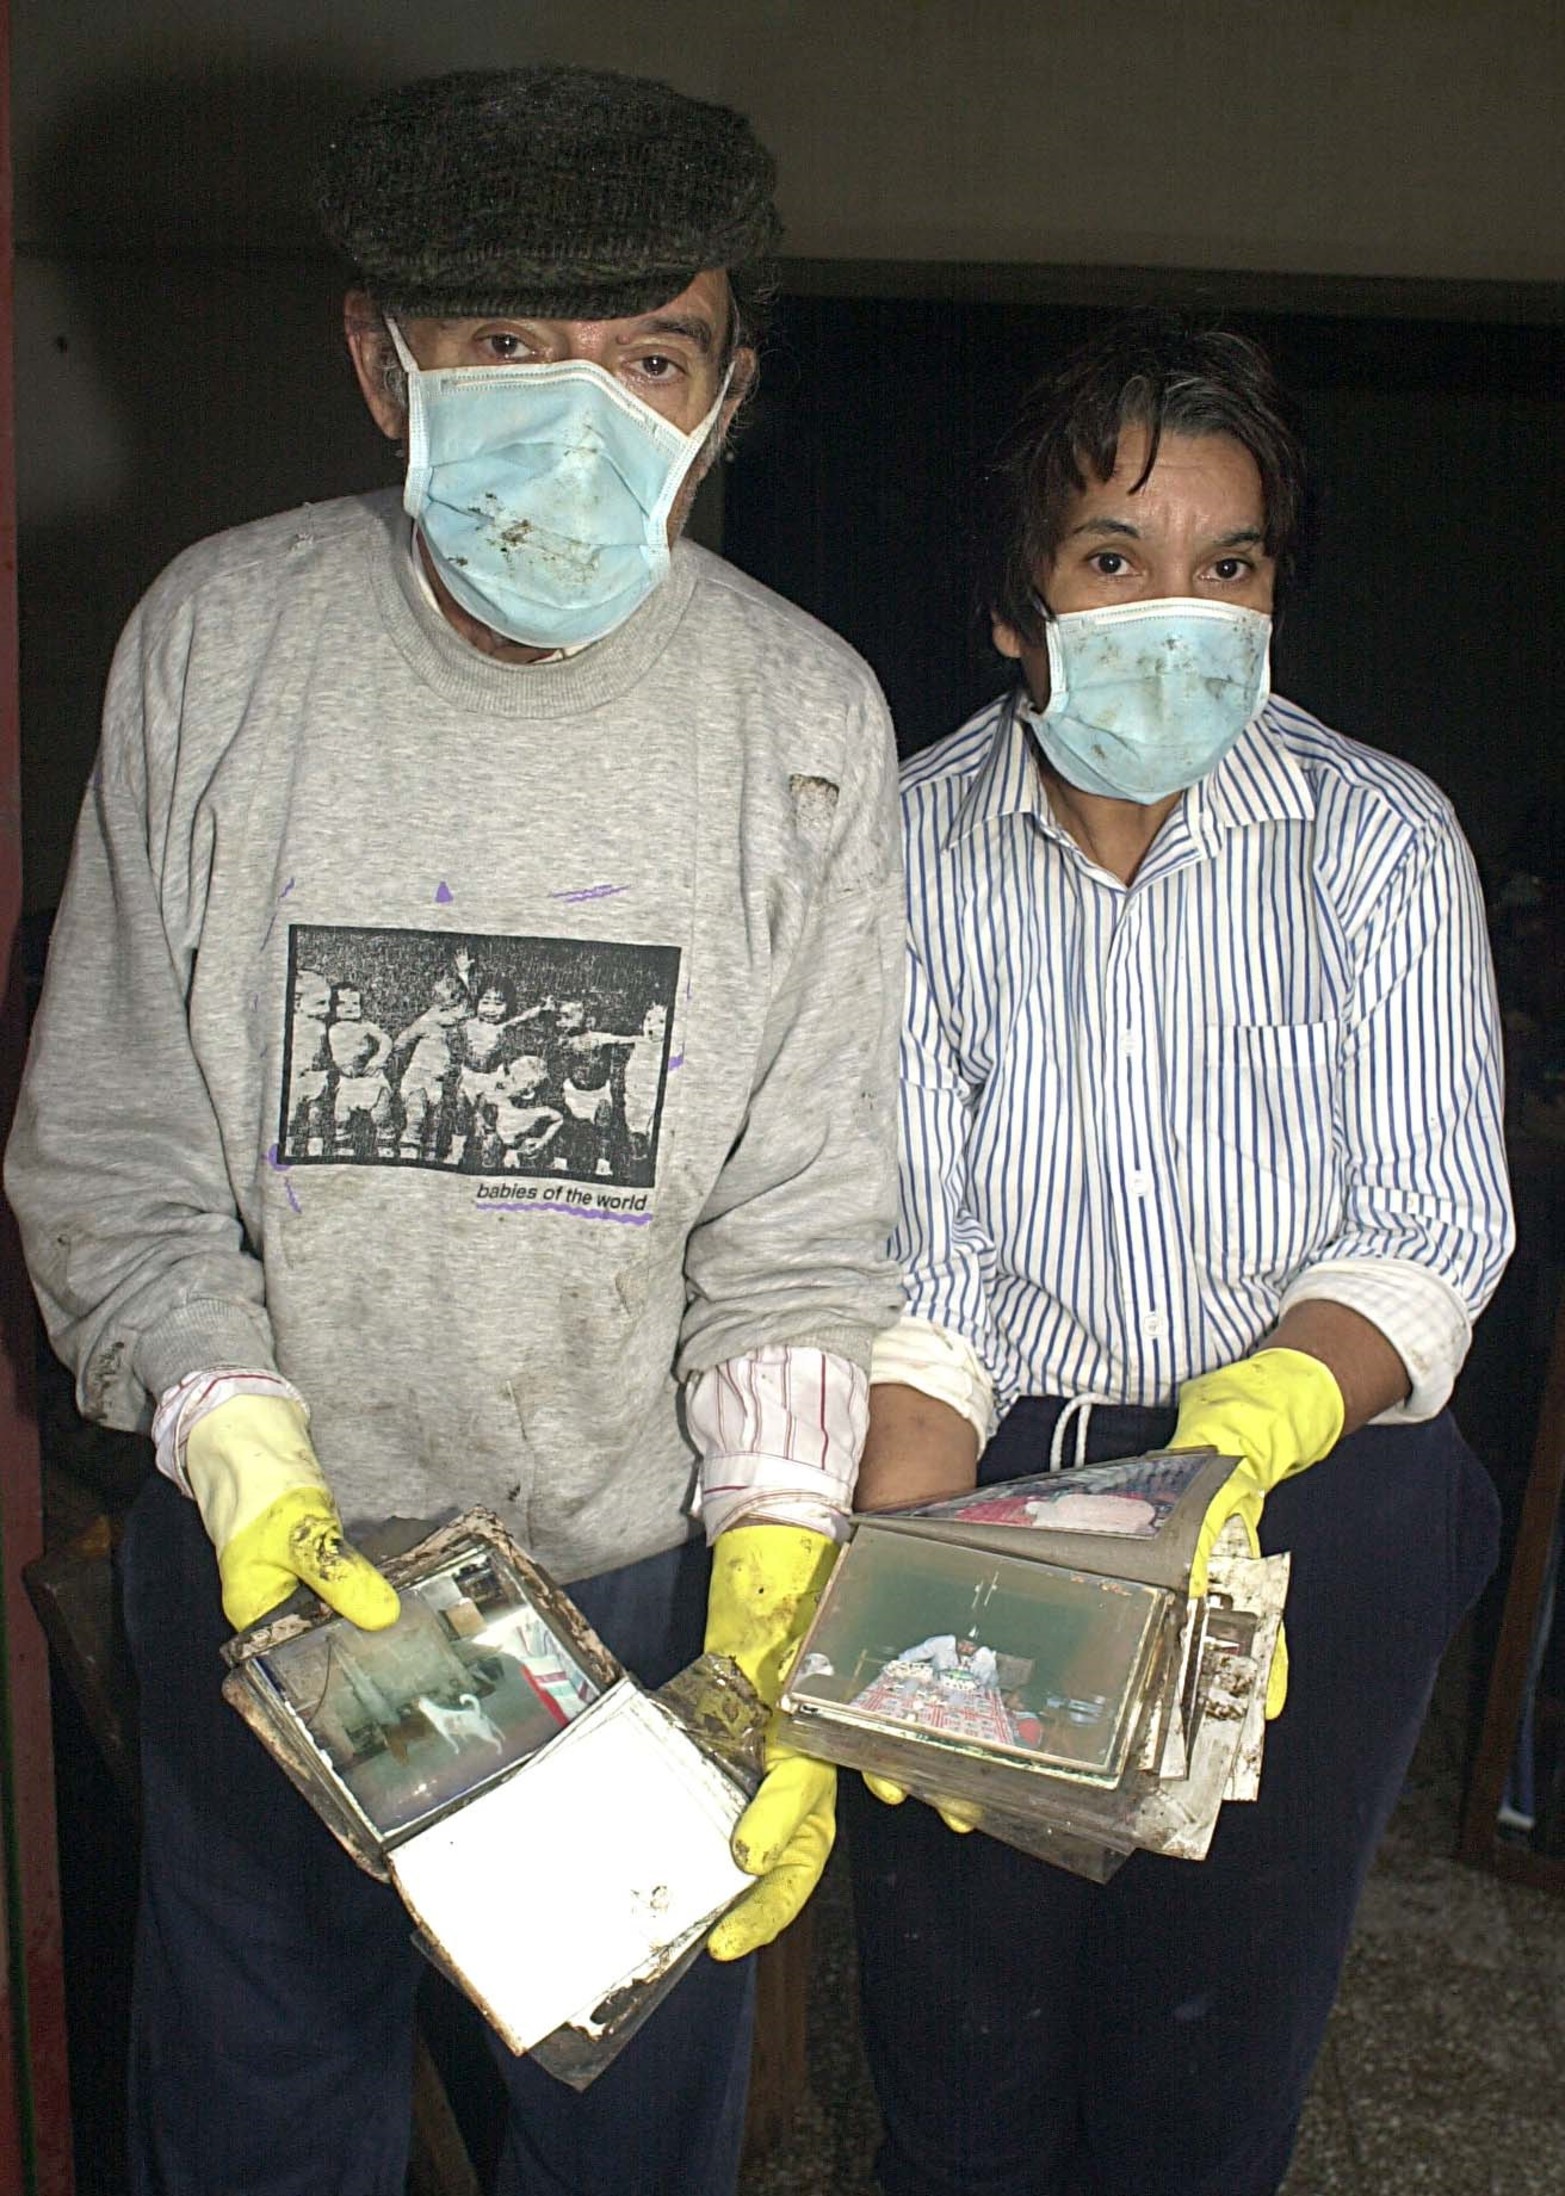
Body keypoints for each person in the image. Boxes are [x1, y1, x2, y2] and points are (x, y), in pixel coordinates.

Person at [6, 65, 903, 2196]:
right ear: (379, 361)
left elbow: (803, 1220)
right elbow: (114, 1141)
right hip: (265, 1591)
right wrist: (237, 1457)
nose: (581, 412)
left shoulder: (803, 722)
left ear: (725, 390)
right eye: (509, 345)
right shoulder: (218, 647)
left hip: (639, 1593)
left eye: (650, 354)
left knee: (628, 2139)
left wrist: (768, 1603)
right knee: (257, 2120)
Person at [846, 318, 1512, 2196]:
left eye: (1227, 568)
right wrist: (894, 1562)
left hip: (1311, 1486)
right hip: (999, 1474)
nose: (1177, 611)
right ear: (1012, 604)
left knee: (1204, 2040)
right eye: (1114, 560)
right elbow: (929, 1245)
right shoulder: (899, 847)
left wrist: (1246, 1422)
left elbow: (1434, 1211)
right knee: (963, 2033)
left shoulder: (1370, 839)